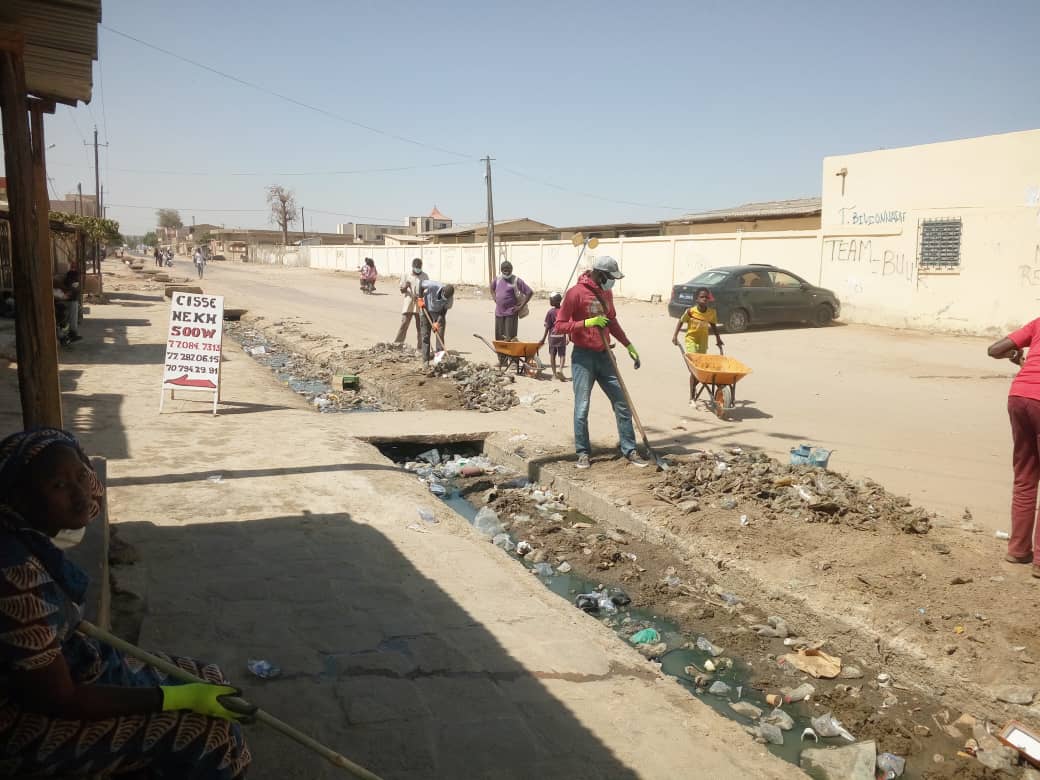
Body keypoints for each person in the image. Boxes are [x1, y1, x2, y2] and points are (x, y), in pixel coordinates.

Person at [0, 428, 252, 777]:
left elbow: (87, 491)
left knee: (210, 677)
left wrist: (75, 472)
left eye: (81, 477)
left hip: (72, 663)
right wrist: (180, 698)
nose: (80, 496)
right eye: (58, 486)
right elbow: (59, 698)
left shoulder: (27, 530)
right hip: (23, 723)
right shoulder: (13, 574)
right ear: (19, 498)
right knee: (212, 735)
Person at [554, 256, 648, 469]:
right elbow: (559, 326)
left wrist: (628, 344)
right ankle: (583, 452)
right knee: (582, 407)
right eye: (610, 277)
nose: (612, 282)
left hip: (605, 356)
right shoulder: (575, 294)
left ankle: (629, 448)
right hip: (583, 358)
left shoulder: (607, 293)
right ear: (599, 274)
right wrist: (587, 322)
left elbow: (612, 320)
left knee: (622, 403)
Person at [989, 324, 1040, 575]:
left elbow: (994, 349)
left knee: (1025, 477)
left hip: (1019, 396)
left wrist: (1017, 358)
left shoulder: (1039, 322)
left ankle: (1018, 550)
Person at [672, 287, 723, 406]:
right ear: (697, 299)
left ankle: (696, 386)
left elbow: (713, 325)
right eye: (702, 297)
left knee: (700, 369)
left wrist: (718, 338)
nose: (704, 299)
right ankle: (692, 397)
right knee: (694, 369)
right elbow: (680, 321)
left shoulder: (711, 312)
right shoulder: (690, 311)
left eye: (706, 297)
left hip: (703, 341)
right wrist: (675, 336)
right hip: (691, 340)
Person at [490, 261, 532, 364]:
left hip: (511, 314)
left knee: (510, 338)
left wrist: (520, 307)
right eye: (504, 270)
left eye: (508, 270)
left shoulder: (516, 280)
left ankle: (513, 361)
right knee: (499, 338)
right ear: (501, 270)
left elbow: (529, 292)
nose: (506, 272)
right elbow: (491, 288)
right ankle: (502, 361)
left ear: (511, 270)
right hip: (499, 313)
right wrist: (495, 298)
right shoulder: (498, 279)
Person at [417, 280, 454, 365]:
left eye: (446, 298)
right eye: (444, 296)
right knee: (425, 336)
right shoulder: (433, 286)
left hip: (438, 313)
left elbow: (444, 311)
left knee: (439, 336)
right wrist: (420, 298)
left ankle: (438, 361)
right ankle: (425, 361)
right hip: (425, 308)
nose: (444, 298)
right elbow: (421, 284)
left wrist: (437, 322)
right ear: (443, 290)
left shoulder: (450, 299)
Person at [395, 258, 429, 349]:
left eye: (419, 267)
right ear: (413, 267)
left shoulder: (425, 276)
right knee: (404, 324)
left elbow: (427, 291)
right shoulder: (406, 275)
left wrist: (420, 296)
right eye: (416, 267)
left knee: (421, 326)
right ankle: (397, 344)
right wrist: (406, 286)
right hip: (409, 302)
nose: (418, 269)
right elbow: (402, 290)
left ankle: (421, 347)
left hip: (420, 302)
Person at [538, 292, 568, 380]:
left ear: (554, 301)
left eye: (551, 300)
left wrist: (543, 339)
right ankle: (561, 369)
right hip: (562, 336)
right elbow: (567, 325)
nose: (550, 301)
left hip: (552, 337)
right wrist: (568, 337)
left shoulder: (550, 312)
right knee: (562, 355)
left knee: (552, 355)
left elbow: (547, 327)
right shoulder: (564, 311)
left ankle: (554, 374)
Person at [62, 260, 83, 343]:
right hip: (72, 299)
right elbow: (71, 285)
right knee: (72, 317)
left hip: (72, 298)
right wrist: (69, 292)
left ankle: (71, 333)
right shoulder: (72, 274)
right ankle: (72, 333)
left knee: (73, 316)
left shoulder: (72, 274)